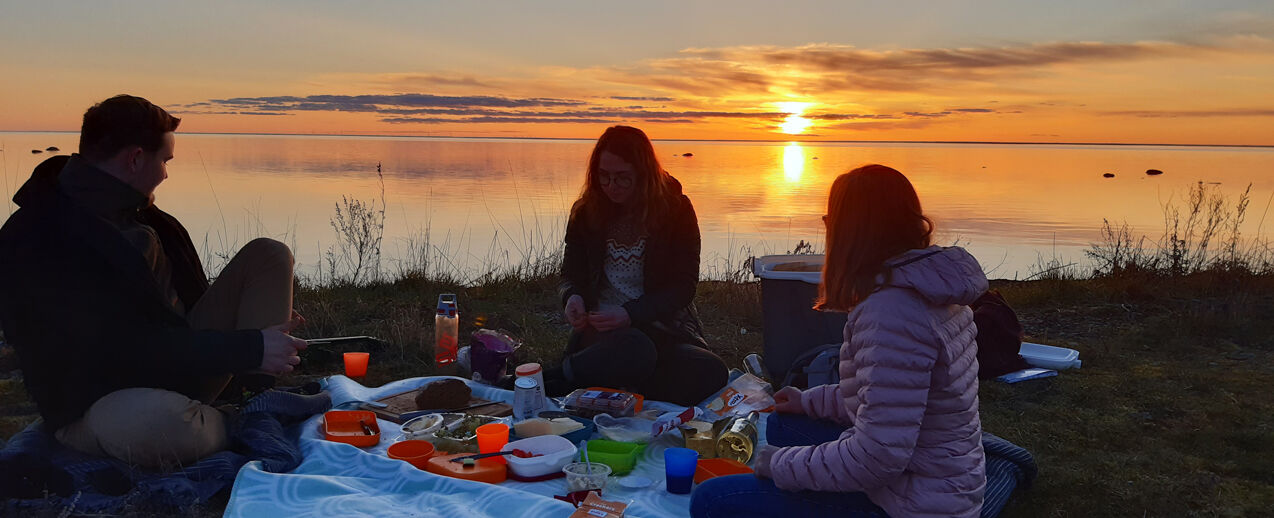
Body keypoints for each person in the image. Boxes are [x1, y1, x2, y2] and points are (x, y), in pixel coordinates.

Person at [0, 95, 325, 471]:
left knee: (269, 254)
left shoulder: (143, 216)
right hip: (103, 397)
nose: (167, 174)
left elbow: (187, 308)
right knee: (158, 428)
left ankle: (248, 396)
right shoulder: (37, 236)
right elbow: (111, 351)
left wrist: (242, 338)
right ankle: (236, 418)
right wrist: (247, 347)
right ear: (135, 158)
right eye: (164, 160)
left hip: (178, 365)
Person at [690, 164, 987, 517]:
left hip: (912, 504)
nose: (827, 227)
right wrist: (807, 401)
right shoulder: (927, 286)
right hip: (939, 479)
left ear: (853, 231)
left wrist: (780, 465)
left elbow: (878, 458)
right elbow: (888, 397)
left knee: (713, 499)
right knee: (782, 424)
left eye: (832, 218)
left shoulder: (891, 313)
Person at [550, 125, 727, 406]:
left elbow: (684, 286)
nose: (611, 186)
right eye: (604, 177)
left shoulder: (676, 210)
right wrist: (571, 296)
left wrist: (631, 314)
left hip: (661, 328)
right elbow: (570, 273)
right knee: (636, 349)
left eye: (622, 178)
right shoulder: (586, 212)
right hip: (605, 334)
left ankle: (615, 389)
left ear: (643, 175)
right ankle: (556, 377)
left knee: (712, 370)